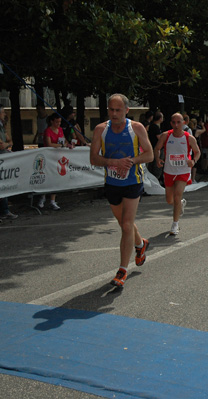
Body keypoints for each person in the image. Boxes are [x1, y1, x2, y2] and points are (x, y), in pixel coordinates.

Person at [90, 93, 154, 288]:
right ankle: (141, 244)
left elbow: (150, 155)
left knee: (126, 225)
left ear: (127, 110)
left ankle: (122, 270)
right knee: (124, 224)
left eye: (118, 110)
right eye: (111, 109)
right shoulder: (101, 129)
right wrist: (112, 162)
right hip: (112, 183)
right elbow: (93, 159)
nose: (114, 113)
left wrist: (132, 161)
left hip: (133, 182)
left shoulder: (136, 128)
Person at [154, 112, 201, 235]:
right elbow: (157, 148)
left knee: (177, 195)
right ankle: (180, 204)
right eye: (173, 122)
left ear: (183, 123)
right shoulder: (166, 136)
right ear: (170, 123)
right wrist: (158, 159)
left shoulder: (189, 138)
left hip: (183, 171)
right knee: (170, 200)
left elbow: (197, 152)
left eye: (178, 122)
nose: (176, 125)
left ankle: (175, 224)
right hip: (169, 171)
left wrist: (193, 161)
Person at [38, 114, 68, 210]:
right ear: (51, 121)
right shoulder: (48, 131)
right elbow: (49, 143)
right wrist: (59, 145)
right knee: (47, 178)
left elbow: (64, 141)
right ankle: (42, 197)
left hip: (57, 157)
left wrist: (66, 144)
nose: (58, 124)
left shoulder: (60, 130)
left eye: (59, 122)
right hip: (48, 157)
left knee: (55, 178)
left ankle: (52, 200)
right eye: (56, 122)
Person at [146, 111, 164, 185]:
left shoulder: (151, 126)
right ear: (160, 118)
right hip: (156, 148)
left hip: (152, 147)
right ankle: (155, 182)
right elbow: (159, 138)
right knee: (156, 166)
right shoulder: (155, 127)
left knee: (152, 166)